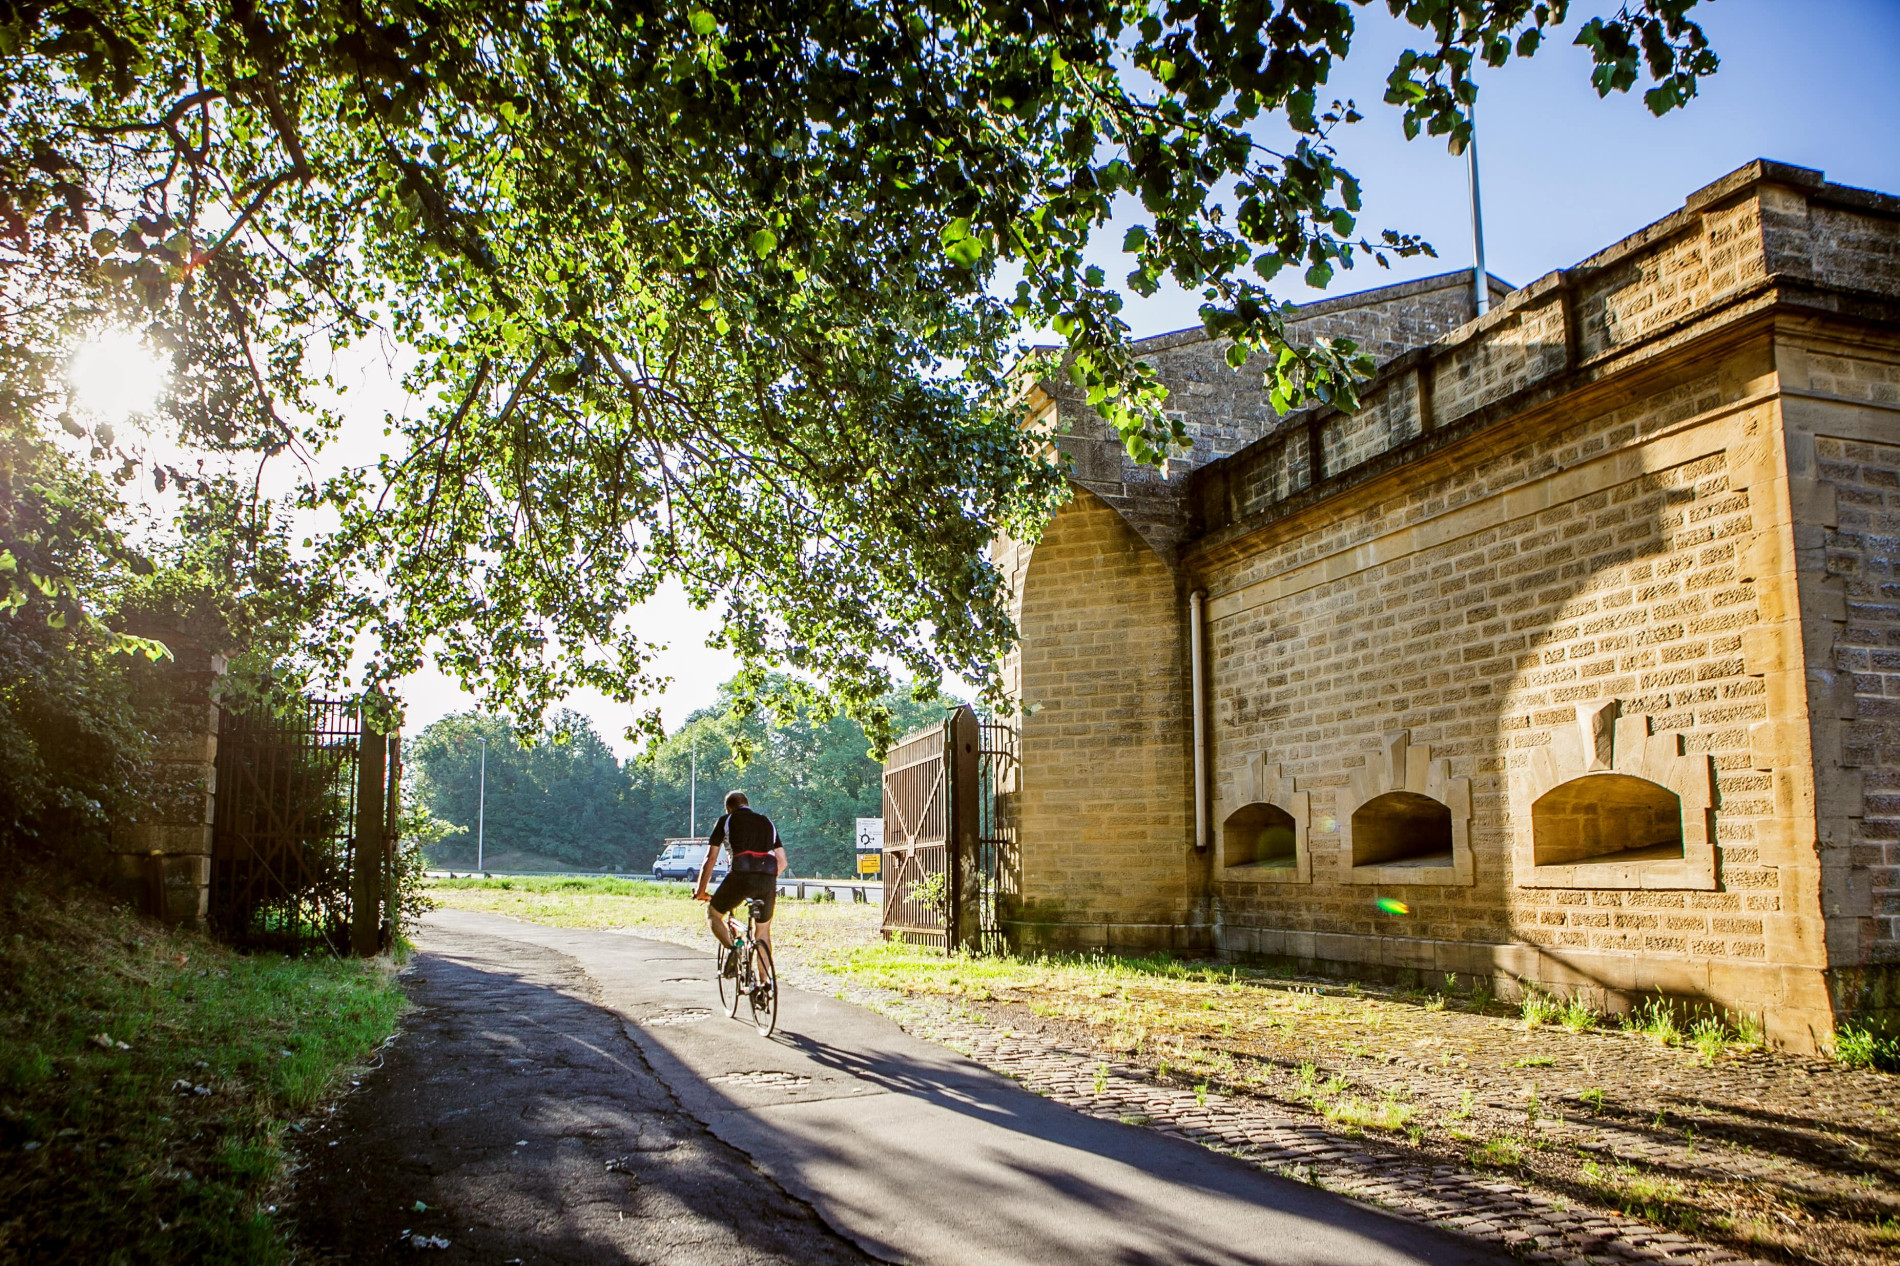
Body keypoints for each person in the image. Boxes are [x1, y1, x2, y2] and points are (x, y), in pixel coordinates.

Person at [693, 790, 787, 977]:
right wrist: (765, 881)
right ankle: (764, 984)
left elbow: (710, 859)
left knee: (713, 914)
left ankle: (732, 950)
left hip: (741, 876)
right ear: (747, 803)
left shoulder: (726, 820)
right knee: (763, 932)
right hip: (767, 879)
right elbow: (782, 861)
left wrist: (701, 890)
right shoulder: (766, 822)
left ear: (729, 808)